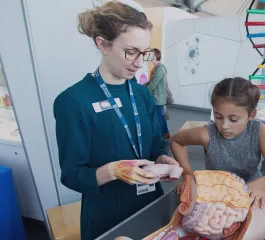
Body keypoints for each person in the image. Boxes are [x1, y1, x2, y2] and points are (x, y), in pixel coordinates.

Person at [53, 2, 178, 239]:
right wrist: (113, 171)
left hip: (150, 201)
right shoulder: (73, 101)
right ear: (103, 44)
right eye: (131, 51)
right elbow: (72, 174)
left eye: (144, 52)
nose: (140, 62)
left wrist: (162, 159)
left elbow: (153, 146)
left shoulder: (141, 94)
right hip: (106, 212)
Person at [169, 77, 265, 209]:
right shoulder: (207, 135)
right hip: (216, 195)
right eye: (218, 117)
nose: (224, 126)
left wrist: (262, 184)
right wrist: (187, 175)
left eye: (233, 119)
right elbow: (175, 141)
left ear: (251, 114)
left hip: (251, 192)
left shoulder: (258, 131)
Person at [145, 48, 170, 139]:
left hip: (158, 97)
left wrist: (145, 90)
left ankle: (161, 134)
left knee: (158, 116)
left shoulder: (159, 69)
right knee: (160, 115)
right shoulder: (157, 68)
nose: (149, 56)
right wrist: (145, 85)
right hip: (158, 96)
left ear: (155, 55)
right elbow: (152, 81)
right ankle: (165, 133)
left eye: (151, 54)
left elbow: (154, 83)